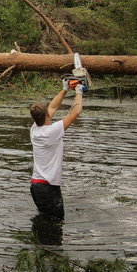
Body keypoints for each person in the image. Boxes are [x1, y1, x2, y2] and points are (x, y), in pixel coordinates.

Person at [29, 79, 85, 220]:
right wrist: (79, 91)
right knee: (55, 222)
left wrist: (65, 89)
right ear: (46, 115)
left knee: (44, 220)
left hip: (36, 186)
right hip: (47, 188)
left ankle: (39, 241)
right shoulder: (51, 131)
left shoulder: (34, 129)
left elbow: (52, 108)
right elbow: (75, 112)